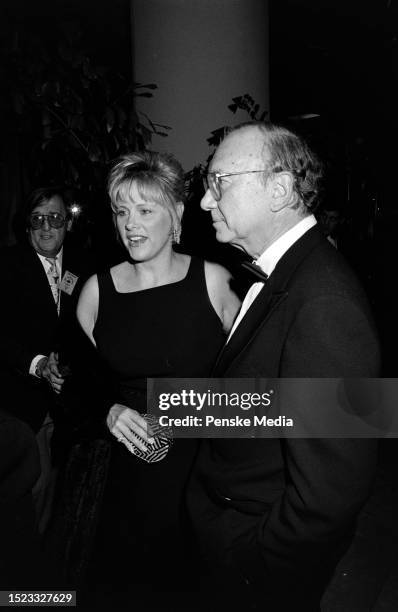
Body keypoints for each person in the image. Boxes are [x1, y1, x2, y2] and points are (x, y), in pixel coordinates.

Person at [187, 122, 381, 610]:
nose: (207, 202)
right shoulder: (286, 273)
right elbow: (271, 405)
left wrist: (255, 560)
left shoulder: (327, 302)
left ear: (279, 188)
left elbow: (333, 493)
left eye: (219, 182)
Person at [76, 151, 240, 603]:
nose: (131, 223)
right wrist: (106, 410)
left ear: (176, 216)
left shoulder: (215, 283)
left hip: (201, 476)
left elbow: (257, 386)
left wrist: (180, 410)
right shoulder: (96, 291)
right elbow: (79, 384)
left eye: (145, 210)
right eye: (121, 211)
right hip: (122, 479)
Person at [0, 187, 92, 535]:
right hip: (21, 404)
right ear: (26, 227)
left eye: (54, 218)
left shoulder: (86, 264)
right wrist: (37, 363)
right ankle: (23, 579)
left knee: (62, 494)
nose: (46, 227)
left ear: (67, 223)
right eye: (37, 219)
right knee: (31, 490)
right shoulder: (7, 265)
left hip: (71, 405)